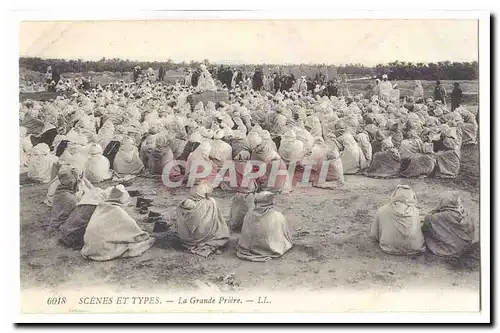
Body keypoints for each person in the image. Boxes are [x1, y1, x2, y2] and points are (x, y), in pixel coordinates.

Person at [81, 185, 155, 261]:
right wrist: (145, 235)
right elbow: (135, 233)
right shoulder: (117, 211)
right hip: (101, 248)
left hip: (89, 247)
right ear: (123, 199)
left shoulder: (101, 206)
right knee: (137, 244)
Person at [176, 183, 230, 257]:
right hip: (201, 235)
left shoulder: (182, 204)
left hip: (186, 237)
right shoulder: (210, 203)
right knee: (212, 203)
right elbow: (208, 190)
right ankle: (207, 237)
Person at [236, 191, 293, 262]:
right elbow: (285, 234)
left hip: (249, 249)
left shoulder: (249, 215)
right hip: (272, 248)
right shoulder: (277, 216)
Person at [371, 184, 426, 255]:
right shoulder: (415, 211)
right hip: (415, 247)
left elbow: (374, 235)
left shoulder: (382, 210)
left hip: (388, 247)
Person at [422, 192, 477, 257]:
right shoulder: (465, 212)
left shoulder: (439, 217)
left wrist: (435, 210)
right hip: (466, 245)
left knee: (427, 234)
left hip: (452, 249)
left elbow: (426, 225)